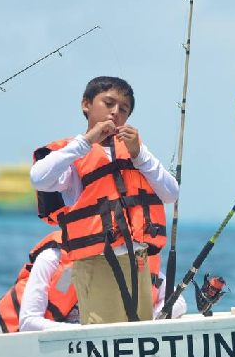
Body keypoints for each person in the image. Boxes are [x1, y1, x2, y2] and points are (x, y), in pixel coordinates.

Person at [30, 76, 179, 324]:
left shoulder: (135, 151)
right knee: (106, 334)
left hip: (139, 262)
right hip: (97, 261)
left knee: (139, 334)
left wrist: (140, 155)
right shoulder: (74, 153)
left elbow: (170, 193)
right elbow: (39, 178)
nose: (115, 112)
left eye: (124, 109)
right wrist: (87, 141)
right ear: (86, 104)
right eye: (108, 103)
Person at [0, 231, 186, 332]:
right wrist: (85, 332)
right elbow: (28, 322)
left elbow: (177, 301)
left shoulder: (132, 257)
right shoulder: (52, 259)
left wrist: (147, 322)